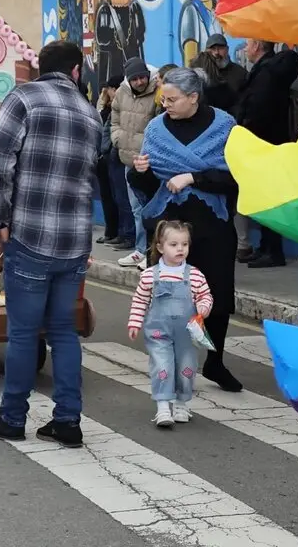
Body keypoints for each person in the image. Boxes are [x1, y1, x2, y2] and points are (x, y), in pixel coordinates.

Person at [0, 40, 101, 447]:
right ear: (76, 71)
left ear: (40, 67)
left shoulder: (23, 99)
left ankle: (12, 417)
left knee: (23, 333)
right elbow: (91, 177)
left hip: (29, 235)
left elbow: (0, 168)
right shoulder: (90, 113)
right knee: (63, 331)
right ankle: (67, 420)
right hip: (74, 240)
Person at [129, 67, 243, 392]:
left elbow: (237, 175)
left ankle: (215, 362)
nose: (165, 104)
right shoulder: (156, 129)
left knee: (217, 296)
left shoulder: (225, 126)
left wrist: (194, 178)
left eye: (172, 99)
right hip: (170, 229)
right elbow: (146, 184)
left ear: (193, 97)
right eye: (163, 98)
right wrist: (140, 171)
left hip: (213, 226)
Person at [127, 220, 213, 427]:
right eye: (173, 244)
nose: (180, 249)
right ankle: (163, 407)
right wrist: (134, 323)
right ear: (160, 247)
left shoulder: (195, 275)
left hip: (187, 333)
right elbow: (140, 301)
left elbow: (205, 296)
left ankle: (182, 404)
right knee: (162, 366)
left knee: (186, 368)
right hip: (159, 332)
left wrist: (203, 307)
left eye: (184, 244)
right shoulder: (149, 275)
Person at [235, 39, 298, 268]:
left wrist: (245, 129)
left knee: (267, 198)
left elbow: (258, 109)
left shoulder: (266, 74)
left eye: (248, 44)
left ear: (257, 47)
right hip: (273, 141)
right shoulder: (269, 71)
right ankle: (266, 247)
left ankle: (273, 251)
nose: (245, 49)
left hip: (264, 143)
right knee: (265, 196)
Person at [111, 57, 158, 267]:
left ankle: (153, 253)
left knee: (152, 208)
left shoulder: (158, 92)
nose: (140, 82)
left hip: (149, 163)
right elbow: (114, 116)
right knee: (136, 208)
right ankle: (140, 251)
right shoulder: (122, 92)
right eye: (135, 79)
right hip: (129, 160)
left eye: (142, 77)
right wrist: (117, 138)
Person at [95, 76, 130, 246]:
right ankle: (112, 231)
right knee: (109, 196)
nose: (109, 92)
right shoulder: (106, 107)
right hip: (104, 156)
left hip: (114, 154)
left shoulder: (123, 106)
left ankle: (124, 233)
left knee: (120, 197)